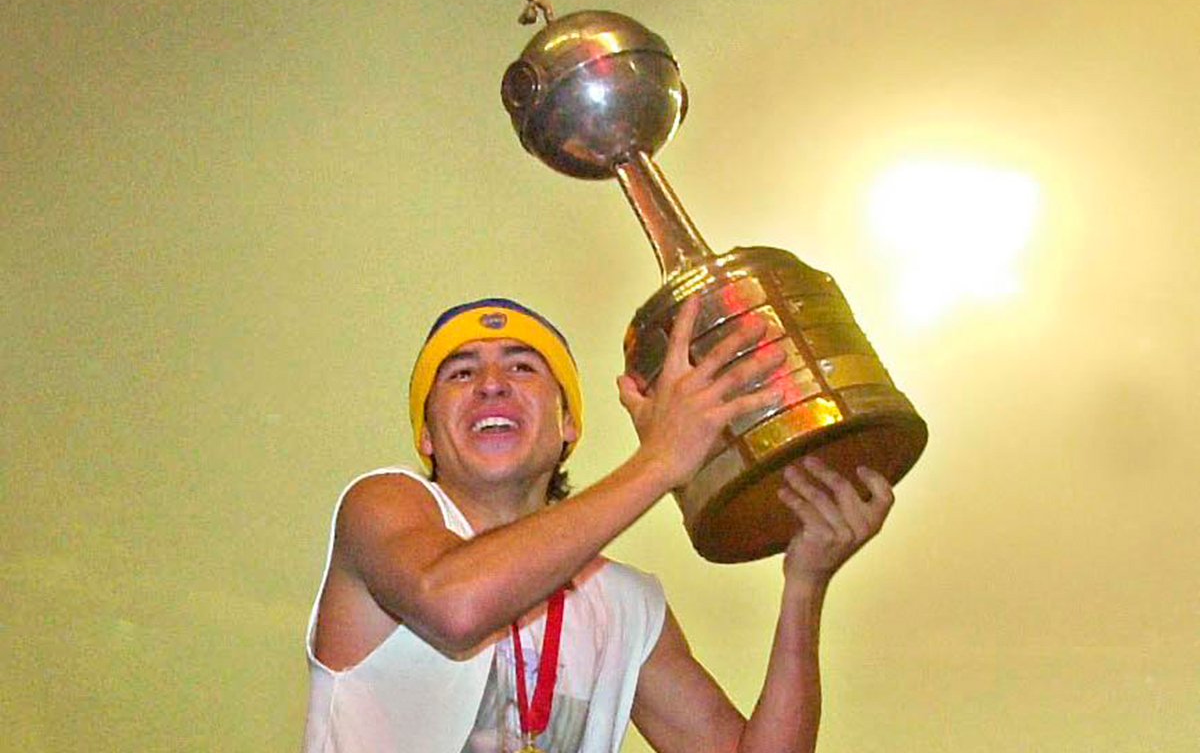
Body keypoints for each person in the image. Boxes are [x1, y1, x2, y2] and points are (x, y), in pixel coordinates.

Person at [302, 296, 895, 753]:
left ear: (568, 425)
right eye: (459, 374)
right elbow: (454, 607)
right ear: (427, 436)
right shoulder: (381, 506)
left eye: (523, 367)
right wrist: (658, 462)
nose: (491, 384)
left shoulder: (625, 604)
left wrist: (806, 586)